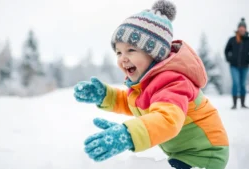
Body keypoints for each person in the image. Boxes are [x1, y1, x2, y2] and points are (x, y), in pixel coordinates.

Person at [74, 0, 229, 168]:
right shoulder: (146, 85)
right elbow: (133, 103)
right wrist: (106, 95)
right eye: (118, 52)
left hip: (204, 153)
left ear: (155, 54)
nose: (122, 58)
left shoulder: (173, 82)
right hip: (183, 152)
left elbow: (166, 120)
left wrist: (128, 134)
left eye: (131, 50)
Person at [225, 18, 249, 109]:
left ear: (245, 29)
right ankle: (234, 104)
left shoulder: (248, 40)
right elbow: (226, 50)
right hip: (234, 66)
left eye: (243, 28)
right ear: (238, 29)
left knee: (243, 84)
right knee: (235, 83)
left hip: (245, 66)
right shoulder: (232, 39)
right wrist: (229, 59)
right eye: (240, 27)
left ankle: (243, 104)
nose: (242, 29)